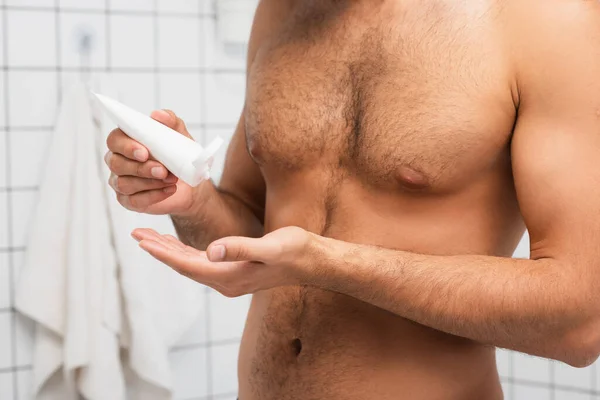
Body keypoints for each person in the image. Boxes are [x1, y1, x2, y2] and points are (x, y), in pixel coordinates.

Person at [103, 0, 600, 398]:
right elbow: (252, 238)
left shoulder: (549, 18)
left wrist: (323, 262)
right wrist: (194, 202)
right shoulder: (282, 12)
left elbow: (580, 323)